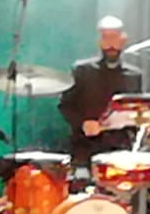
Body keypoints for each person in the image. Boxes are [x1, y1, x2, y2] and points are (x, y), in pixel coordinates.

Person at [57, 15, 144, 162]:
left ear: (123, 40)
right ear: (99, 42)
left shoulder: (134, 75)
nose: (110, 44)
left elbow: (137, 110)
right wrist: (83, 123)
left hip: (121, 148)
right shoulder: (82, 70)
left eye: (114, 38)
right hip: (86, 148)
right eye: (106, 38)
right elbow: (65, 105)